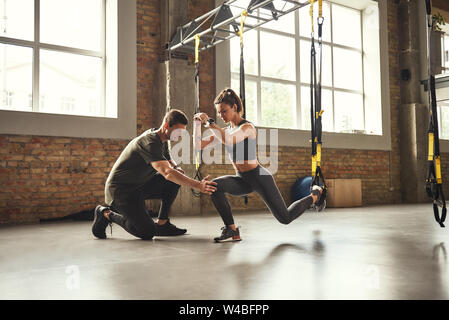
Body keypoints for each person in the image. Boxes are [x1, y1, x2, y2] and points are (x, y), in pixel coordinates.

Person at [194, 88, 323, 243]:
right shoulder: (226, 130)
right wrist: (196, 123)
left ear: (234, 107)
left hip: (259, 177)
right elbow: (198, 145)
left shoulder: (247, 128)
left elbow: (228, 140)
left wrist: (209, 123)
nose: (221, 115)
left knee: (285, 218)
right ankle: (232, 230)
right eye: (219, 112)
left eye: (223, 111)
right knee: (214, 186)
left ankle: (316, 194)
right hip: (242, 179)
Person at [92, 109, 217, 240]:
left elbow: (169, 162)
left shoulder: (160, 137)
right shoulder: (150, 142)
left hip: (139, 186)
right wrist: (199, 185)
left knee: (174, 180)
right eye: (178, 132)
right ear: (166, 126)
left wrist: (176, 167)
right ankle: (105, 213)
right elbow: (167, 172)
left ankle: (163, 224)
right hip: (121, 191)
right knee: (147, 232)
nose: (180, 136)